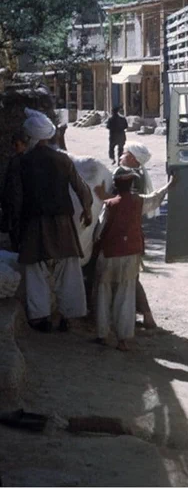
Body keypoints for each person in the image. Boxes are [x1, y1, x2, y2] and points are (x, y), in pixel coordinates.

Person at [13, 112, 92, 332]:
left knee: (35, 271)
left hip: (35, 222)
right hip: (62, 222)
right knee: (68, 269)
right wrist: (87, 208)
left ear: (31, 137)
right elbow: (81, 186)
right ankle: (69, 316)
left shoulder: (23, 161)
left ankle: (41, 319)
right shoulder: (63, 159)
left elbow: (17, 197)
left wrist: (13, 223)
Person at [93, 167, 171, 350]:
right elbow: (156, 198)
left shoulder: (110, 204)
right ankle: (123, 339)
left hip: (109, 254)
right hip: (131, 254)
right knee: (126, 296)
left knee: (103, 294)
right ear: (132, 184)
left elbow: (99, 231)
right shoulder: (138, 201)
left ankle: (103, 334)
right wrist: (169, 185)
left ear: (116, 184)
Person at [95, 141, 159, 329]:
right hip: (131, 231)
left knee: (126, 280)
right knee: (131, 278)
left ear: (132, 157)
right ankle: (140, 316)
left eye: (123, 153)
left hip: (119, 232)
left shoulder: (124, 176)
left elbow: (120, 204)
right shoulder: (136, 176)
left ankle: (142, 316)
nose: (121, 156)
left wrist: (103, 195)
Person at [0, 130, 28, 251]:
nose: (14, 147)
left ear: (24, 145)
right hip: (12, 203)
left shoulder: (26, 161)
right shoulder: (14, 160)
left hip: (21, 205)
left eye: (17, 145)